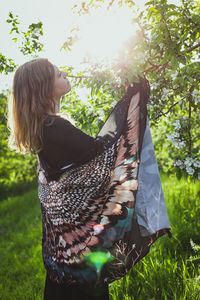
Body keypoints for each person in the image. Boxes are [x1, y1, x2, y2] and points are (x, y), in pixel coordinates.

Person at [9, 58, 171, 300]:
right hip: (80, 259)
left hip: (64, 256)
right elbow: (107, 155)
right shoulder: (55, 127)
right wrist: (133, 99)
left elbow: (89, 159)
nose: (64, 71)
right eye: (56, 73)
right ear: (42, 86)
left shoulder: (45, 129)